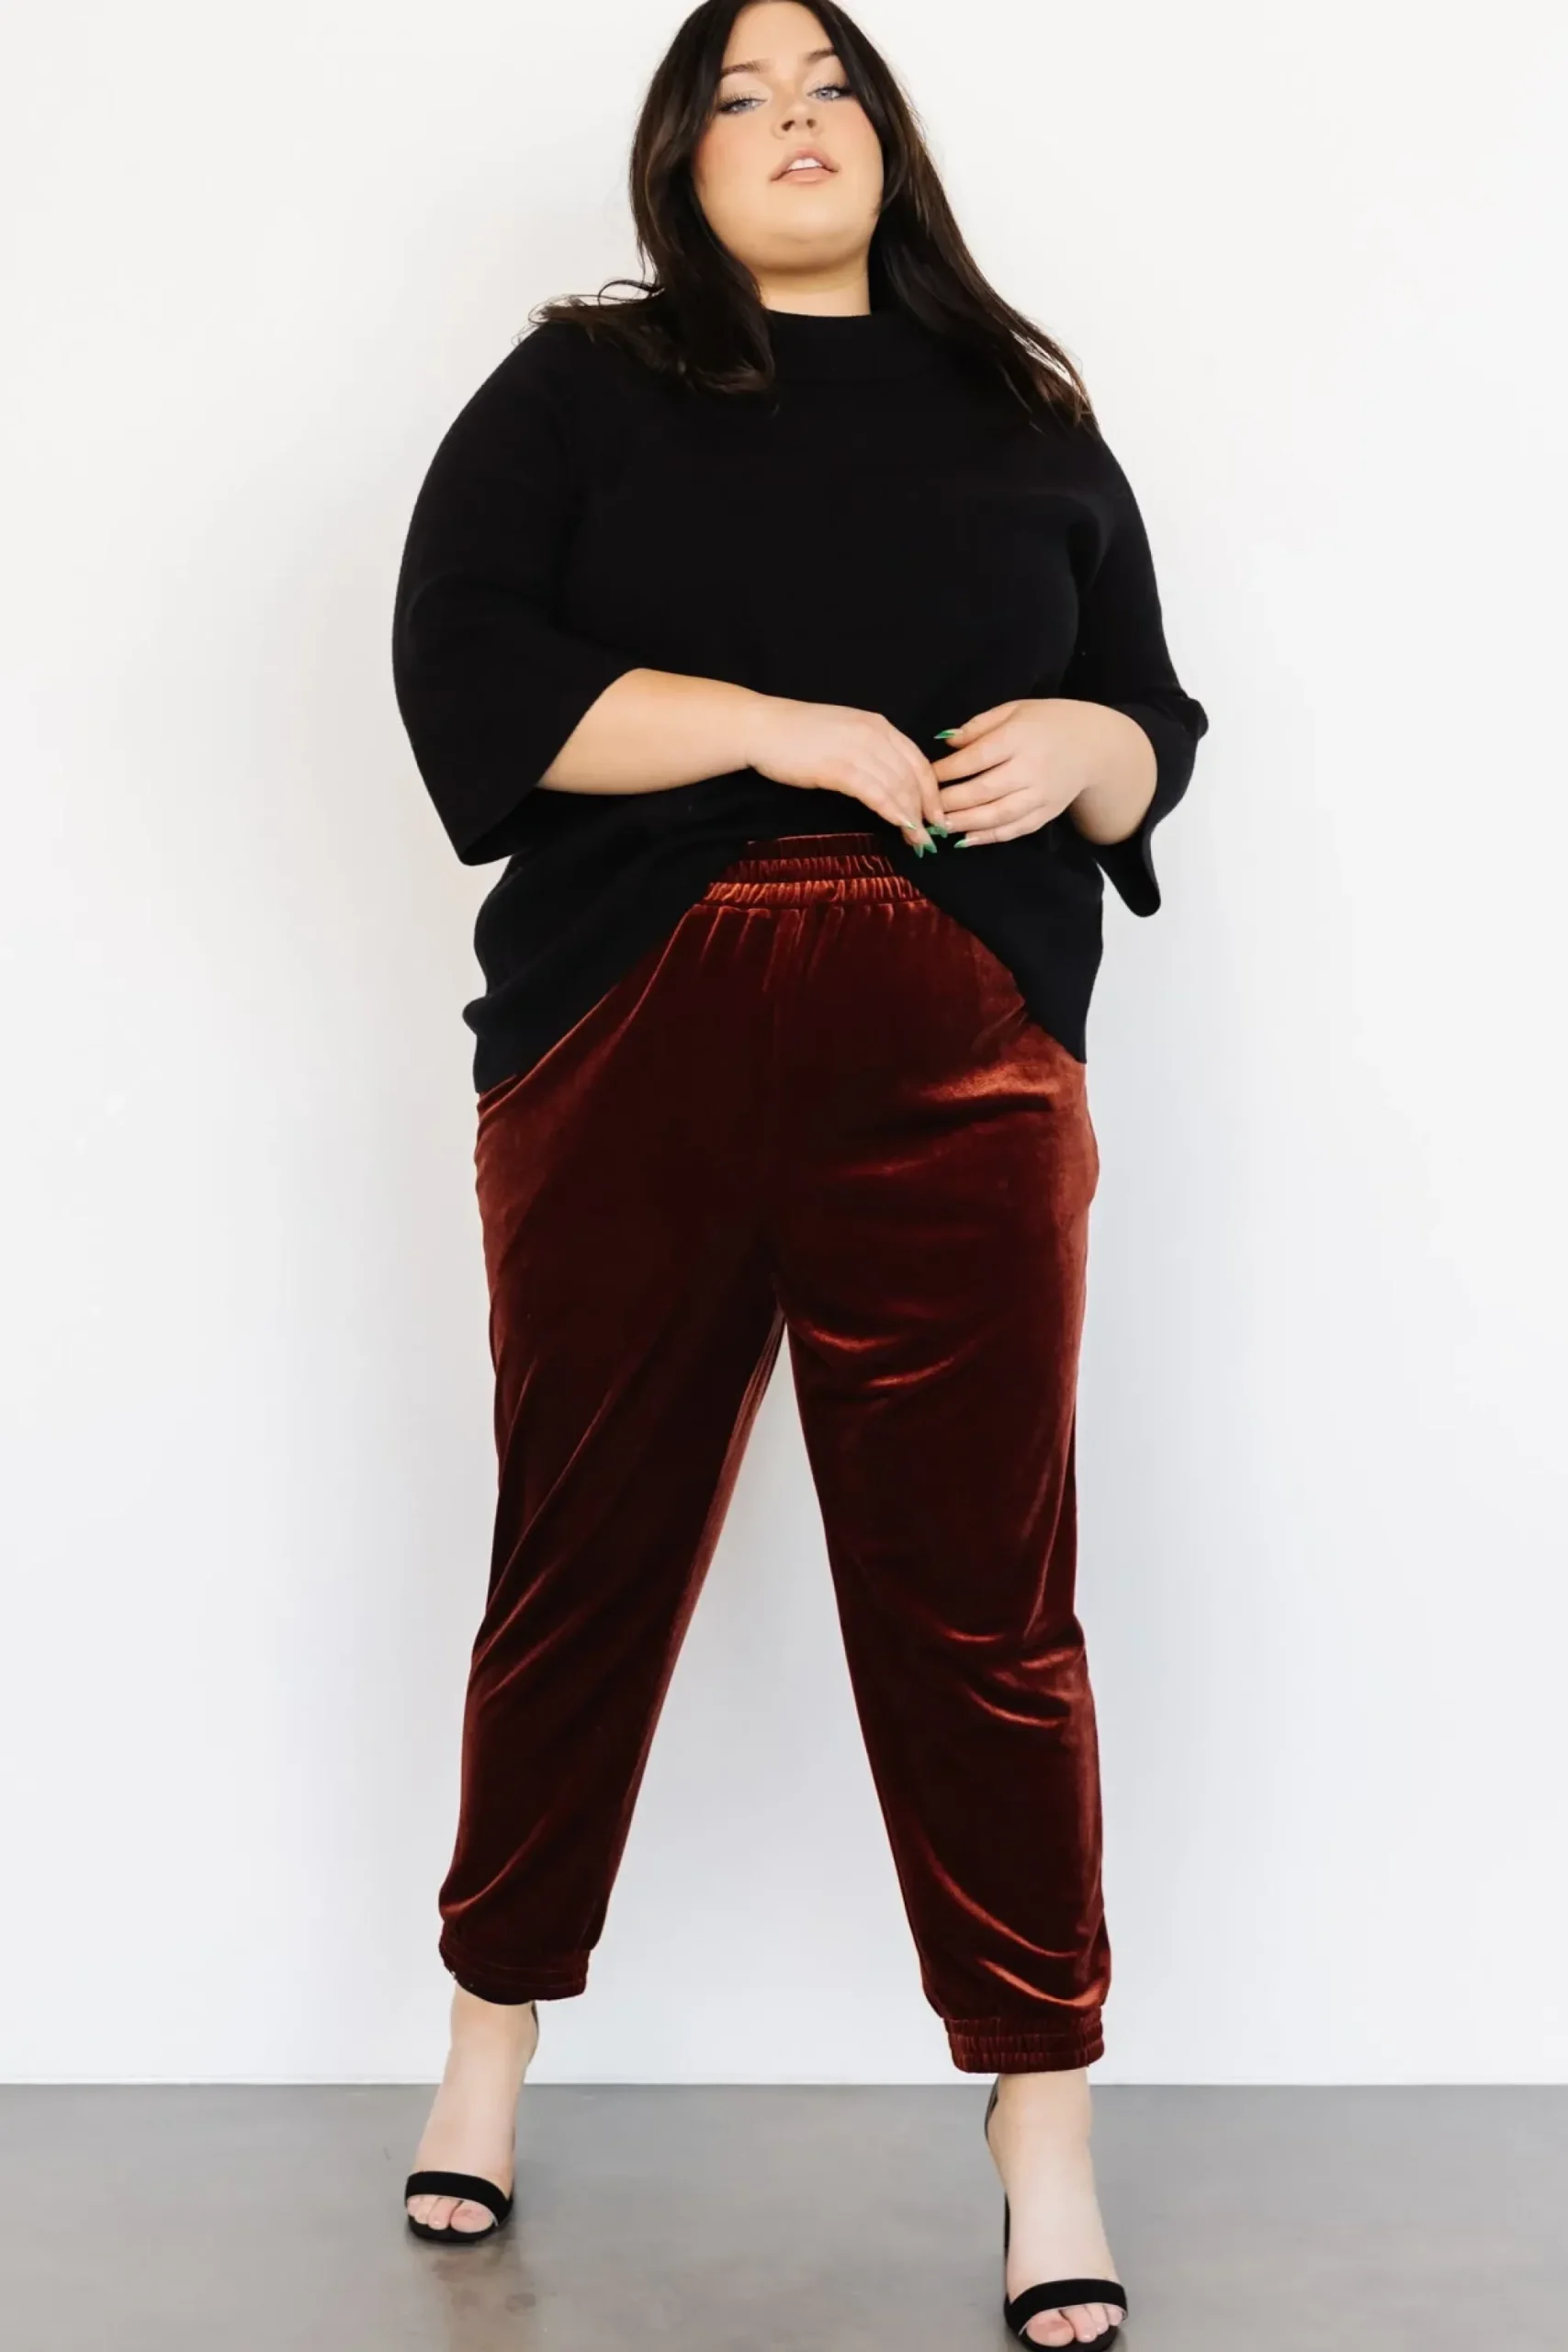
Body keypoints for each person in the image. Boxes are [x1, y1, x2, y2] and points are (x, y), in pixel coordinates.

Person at [389, 5, 1208, 2345]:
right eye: (737, 98)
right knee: (580, 1555)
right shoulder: (582, 388)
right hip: (627, 1034)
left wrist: (1094, 744)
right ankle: (483, 2048)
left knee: (982, 1597)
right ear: (681, 163)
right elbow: (465, 673)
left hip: (956, 1050)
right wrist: (782, 731)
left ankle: (1042, 2130)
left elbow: (1150, 718)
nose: (790, 121)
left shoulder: (1022, 409)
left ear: (888, 139)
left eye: (826, 85)